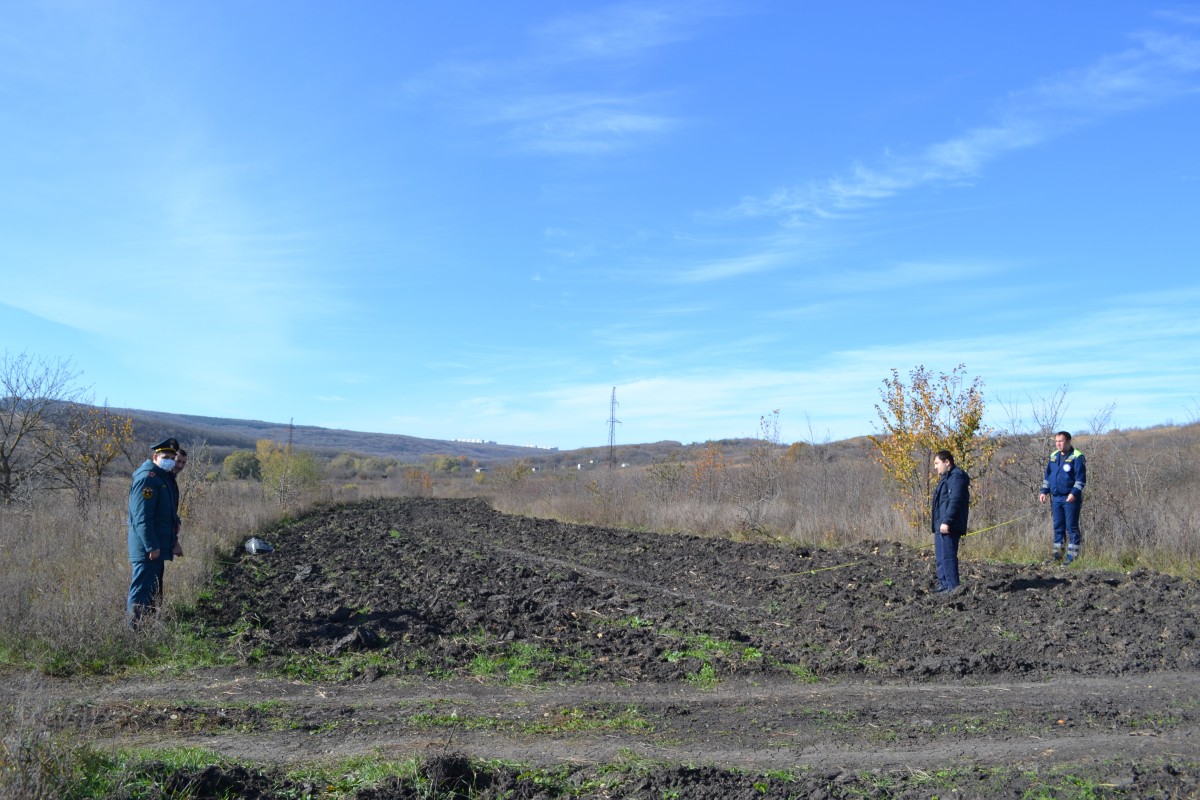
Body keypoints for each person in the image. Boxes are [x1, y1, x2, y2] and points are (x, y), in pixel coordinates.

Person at [127, 438, 182, 627]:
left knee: (154, 593)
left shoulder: (163, 478)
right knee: (142, 592)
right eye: (166, 457)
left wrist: (173, 542)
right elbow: (142, 516)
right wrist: (151, 544)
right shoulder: (147, 479)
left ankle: (148, 630)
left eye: (172, 457)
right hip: (148, 550)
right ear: (155, 456)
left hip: (158, 548)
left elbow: (167, 516)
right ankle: (134, 634)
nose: (170, 460)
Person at [1039, 431, 1086, 563]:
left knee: (1071, 528)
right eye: (1056, 441)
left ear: (1068, 441)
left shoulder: (1077, 456)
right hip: (1056, 498)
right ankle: (1057, 556)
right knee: (1058, 527)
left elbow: (1081, 480)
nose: (1058, 444)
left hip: (1070, 499)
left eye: (1061, 441)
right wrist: (1044, 491)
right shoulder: (1054, 456)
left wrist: (1074, 493)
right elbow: (1048, 476)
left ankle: (1072, 558)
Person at [931, 450, 970, 594]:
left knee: (948, 557)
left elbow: (955, 501)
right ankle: (943, 585)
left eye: (937, 463)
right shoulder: (946, 478)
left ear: (947, 462)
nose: (935, 467)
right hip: (940, 525)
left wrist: (946, 521)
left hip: (950, 525)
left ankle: (953, 588)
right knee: (940, 557)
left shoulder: (957, 477)